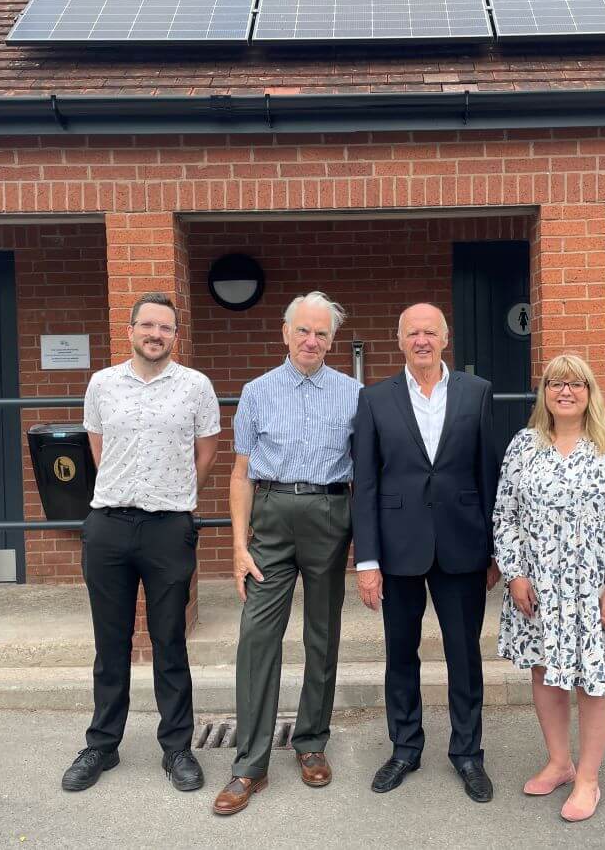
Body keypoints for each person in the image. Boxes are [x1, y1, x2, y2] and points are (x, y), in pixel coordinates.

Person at [62, 292, 220, 794]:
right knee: (110, 644)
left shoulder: (195, 386)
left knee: (170, 640)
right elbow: (99, 447)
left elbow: (207, 450)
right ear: (130, 330)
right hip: (108, 524)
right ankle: (102, 744)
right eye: (147, 326)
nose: (156, 334)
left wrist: (173, 494)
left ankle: (177, 748)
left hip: (168, 528)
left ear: (176, 335)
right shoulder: (102, 384)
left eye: (166, 328)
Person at [213, 291, 361, 816]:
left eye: (322, 333)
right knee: (257, 637)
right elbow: (240, 474)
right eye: (303, 330)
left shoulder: (352, 393)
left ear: (332, 340)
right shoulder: (256, 392)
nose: (312, 341)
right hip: (271, 518)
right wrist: (237, 546)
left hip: (328, 513)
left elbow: (364, 473)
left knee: (322, 634)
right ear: (285, 333)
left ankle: (311, 741)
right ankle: (248, 765)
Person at [351, 303, 501, 803]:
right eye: (412, 332)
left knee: (464, 655)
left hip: (463, 544)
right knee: (400, 655)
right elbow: (366, 483)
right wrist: (367, 561)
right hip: (398, 549)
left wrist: (495, 550)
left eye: (429, 332)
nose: (421, 340)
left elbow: (489, 474)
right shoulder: (374, 399)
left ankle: (468, 754)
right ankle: (405, 748)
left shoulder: (476, 393)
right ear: (399, 341)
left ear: (445, 338)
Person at [493, 353, 605, 823]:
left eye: (576, 384)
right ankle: (560, 762)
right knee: (544, 670)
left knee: (593, 680)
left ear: (590, 393)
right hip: (539, 587)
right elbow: (506, 515)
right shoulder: (523, 446)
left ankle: (588, 778)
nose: (566, 392)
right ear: (544, 393)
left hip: (593, 588)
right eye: (556, 384)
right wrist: (514, 572)